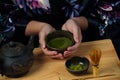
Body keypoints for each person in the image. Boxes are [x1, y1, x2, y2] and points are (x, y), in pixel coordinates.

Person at [0, 0, 120, 59]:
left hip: (91, 47)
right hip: (29, 54)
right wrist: (40, 27)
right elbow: (4, 20)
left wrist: (78, 22)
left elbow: (112, 12)